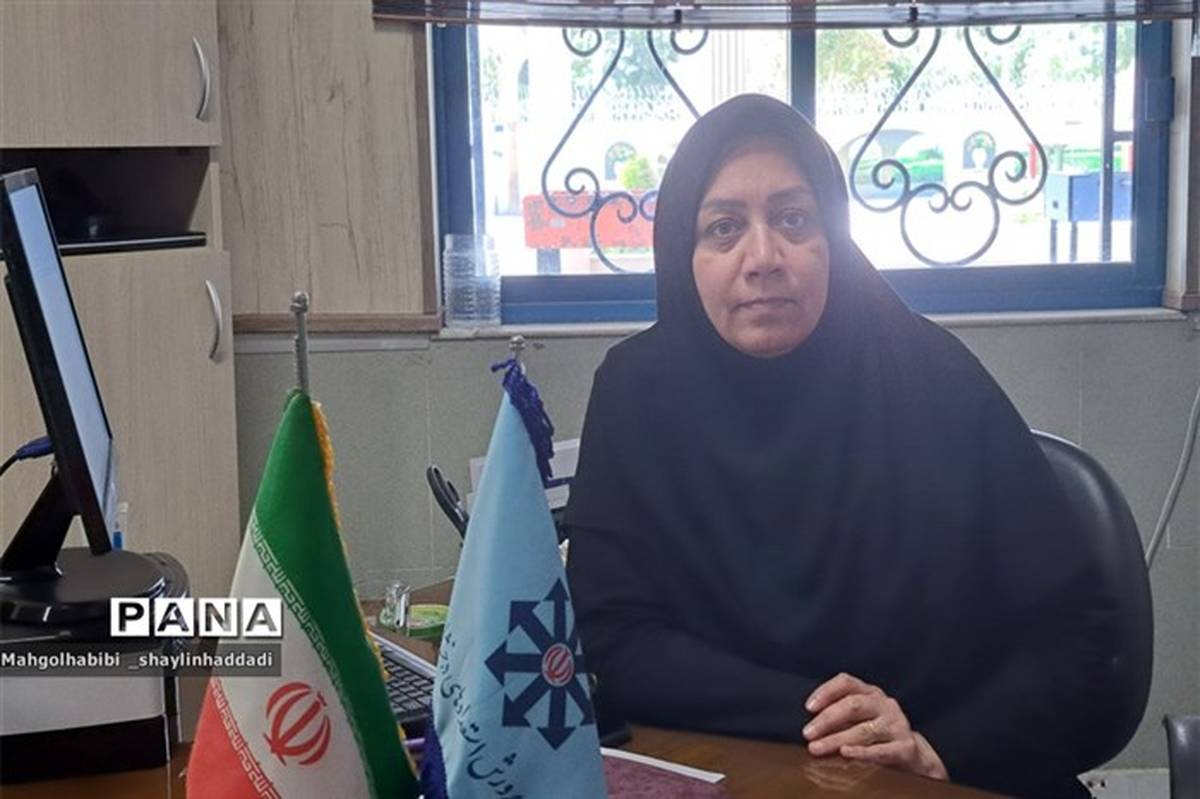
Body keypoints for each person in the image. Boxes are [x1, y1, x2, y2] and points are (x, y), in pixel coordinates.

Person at [564, 94, 1116, 799]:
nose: (763, 258)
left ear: (836, 236)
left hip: (946, 771)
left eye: (794, 219)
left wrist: (940, 747)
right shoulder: (636, 394)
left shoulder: (935, 380)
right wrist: (829, 716)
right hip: (740, 769)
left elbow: (1077, 636)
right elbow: (612, 635)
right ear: (681, 252)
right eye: (724, 227)